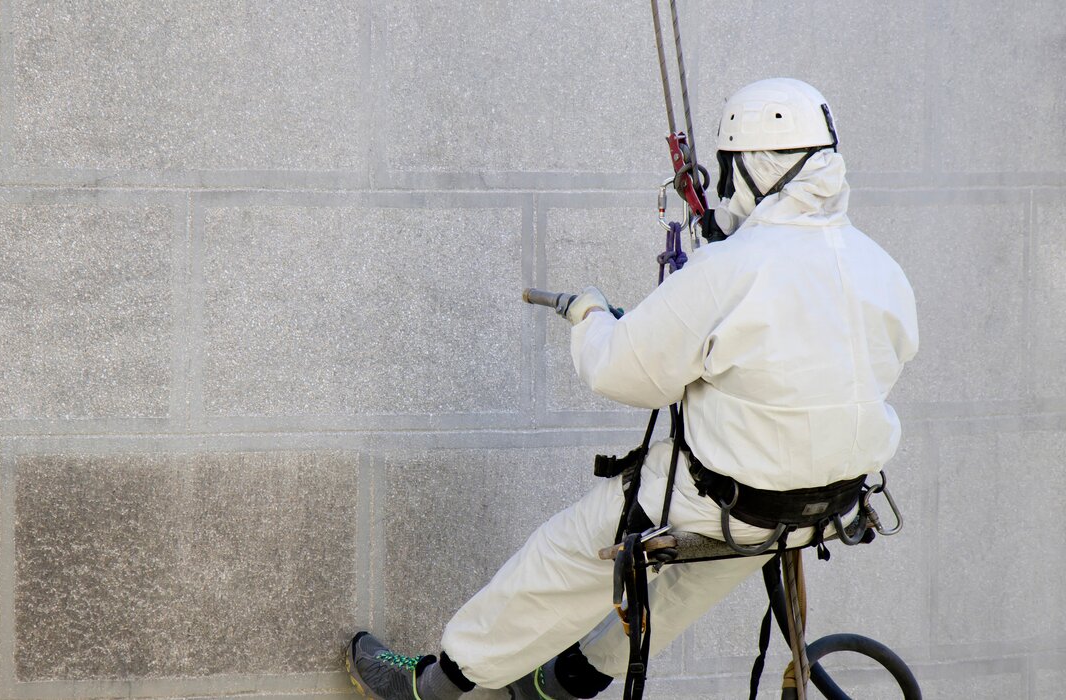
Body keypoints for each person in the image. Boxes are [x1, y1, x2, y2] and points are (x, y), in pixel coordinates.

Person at [345, 78, 919, 700]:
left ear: (754, 164)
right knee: (687, 586)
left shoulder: (730, 268)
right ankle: (561, 684)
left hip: (723, 497)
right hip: (822, 506)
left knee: (564, 558)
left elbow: (624, 371)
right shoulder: (880, 266)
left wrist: (590, 316)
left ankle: (434, 684)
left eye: (731, 171)